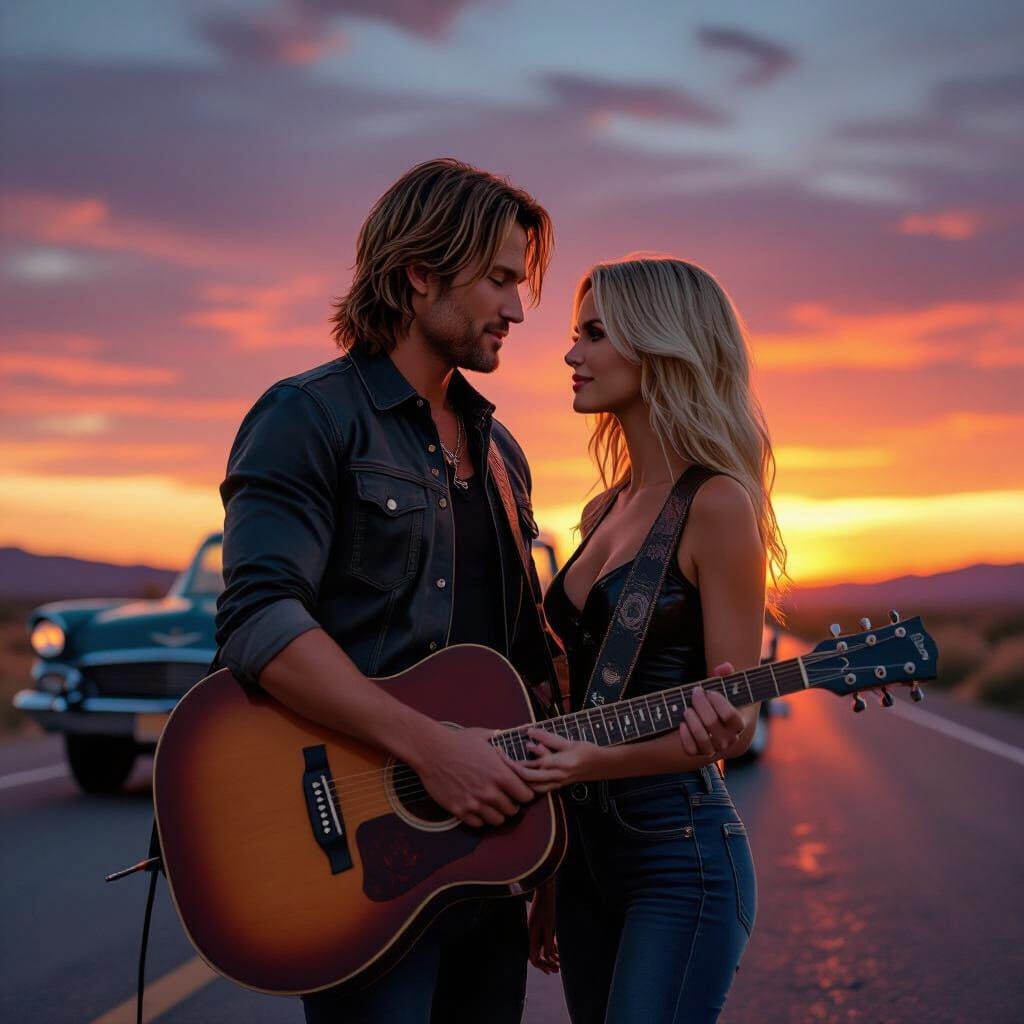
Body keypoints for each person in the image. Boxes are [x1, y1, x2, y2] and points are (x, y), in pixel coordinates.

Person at [214, 158, 560, 1023]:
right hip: (363, 864)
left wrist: (555, 860)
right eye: (498, 281)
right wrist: (429, 749)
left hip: (486, 863)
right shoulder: (310, 416)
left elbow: (526, 671)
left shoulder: (505, 454)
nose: (518, 310)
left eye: (520, 283)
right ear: (418, 277)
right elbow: (261, 620)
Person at [517, 256, 787, 1023]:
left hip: (679, 857)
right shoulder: (604, 509)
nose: (572, 354)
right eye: (576, 334)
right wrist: (548, 874)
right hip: (583, 861)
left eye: (595, 335)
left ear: (661, 347)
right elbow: (568, 709)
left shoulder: (720, 505)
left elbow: (732, 725)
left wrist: (597, 760)